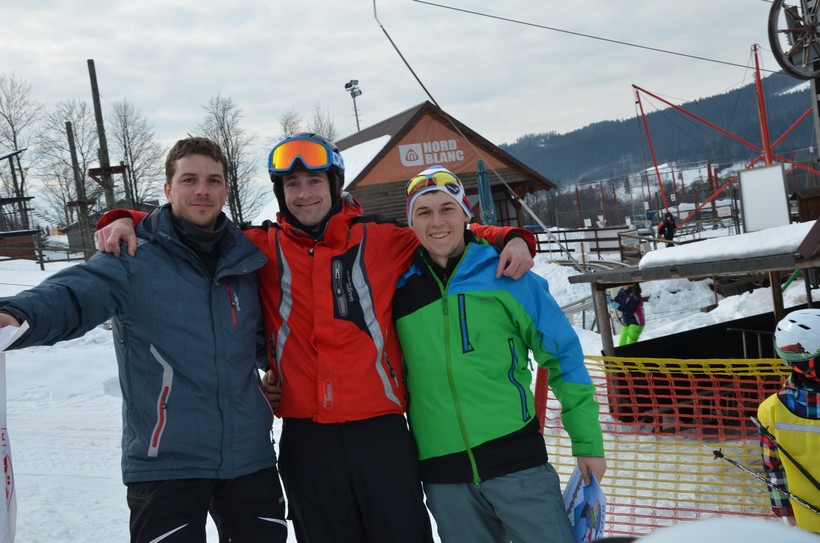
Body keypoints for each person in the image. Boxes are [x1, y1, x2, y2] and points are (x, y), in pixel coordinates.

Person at [94, 133, 537, 543]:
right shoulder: (258, 246)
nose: (304, 193)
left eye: (314, 182)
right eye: (292, 185)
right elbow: (190, 222)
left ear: (334, 185)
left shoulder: (381, 239)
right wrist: (127, 219)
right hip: (307, 440)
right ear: (280, 193)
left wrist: (513, 237)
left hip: (380, 434)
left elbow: (447, 231)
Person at [0, 137, 287, 543]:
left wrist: (276, 377)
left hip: (249, 457)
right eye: (189, 179)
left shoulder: (247, 262)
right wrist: (17, 314)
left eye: (213, 180)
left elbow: (268, 340)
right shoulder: (132, 257)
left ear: (226, 189)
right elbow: (74, 295)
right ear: (168, 189)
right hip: (165, 459)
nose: (202, 190)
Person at [393, 165, 606, 543]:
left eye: (447, 208)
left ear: (466, 213)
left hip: (518, 464)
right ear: (411, 223)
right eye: (423, 212)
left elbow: (564, 357)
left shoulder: (509, 275)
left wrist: (587, 442)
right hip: (445, 479)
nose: (437, 221)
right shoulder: (397, 290)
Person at [757, 308, 820, 534]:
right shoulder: (771, 410)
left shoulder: (771, 409)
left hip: (807, 525)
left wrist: (785, 512)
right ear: (807, 362)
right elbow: (774, 468)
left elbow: (773, 469)